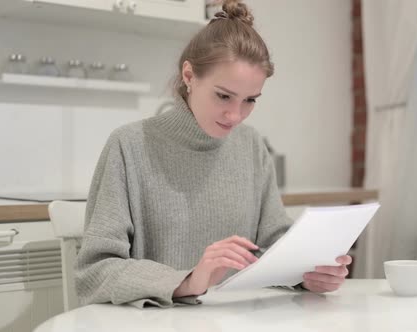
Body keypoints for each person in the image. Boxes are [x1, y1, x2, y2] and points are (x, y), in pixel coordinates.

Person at [76, 0, 352, 308]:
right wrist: (188, 281)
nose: (235, 115)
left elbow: (272, 245)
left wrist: (306, 273)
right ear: (190, 76)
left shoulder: (251, 146)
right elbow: (94, 272)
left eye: (250, 100)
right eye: (224, 96)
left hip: (240, 320)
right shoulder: (129, 145)